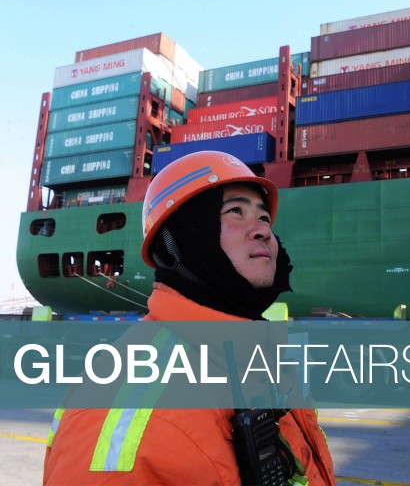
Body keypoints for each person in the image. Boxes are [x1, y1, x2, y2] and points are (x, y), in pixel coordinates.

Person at [43, 151, 336, 485]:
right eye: (236, 211)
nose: (263, 232)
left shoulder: (258, 361)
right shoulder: (127, 410)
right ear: (177, 241)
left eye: (264, 218)